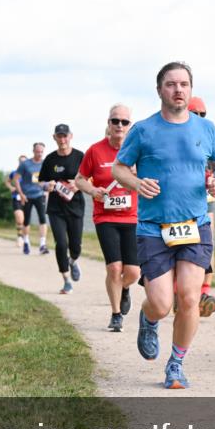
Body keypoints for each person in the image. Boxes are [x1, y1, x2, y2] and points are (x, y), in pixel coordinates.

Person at [113, 61, 215, 389]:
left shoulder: (206, 129)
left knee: (190, 298)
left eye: (183, 84)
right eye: (171, 84)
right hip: (153, 227)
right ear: (159, 90)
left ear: (190, 89)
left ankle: (176, 363)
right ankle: (149, 318)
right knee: (162, 303)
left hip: (195, 223)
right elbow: (120, 168)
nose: (178, 90)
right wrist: (136, 183)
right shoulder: (143, 130)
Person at [76, 104, 140, 331]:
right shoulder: (95, 151)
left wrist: (138, 175)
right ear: (108, 123)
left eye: (124, 122)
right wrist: (93, 191)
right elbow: (80, 179)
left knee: (133, 271)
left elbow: (151, 178)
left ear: (130, 125)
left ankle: (123, 288)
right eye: (115, 121)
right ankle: (115, 315)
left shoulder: (137, 151)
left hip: (132, 217)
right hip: (105, 217)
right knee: (114, 267)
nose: (119, 125)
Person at [40, 124, 85, 294]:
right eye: (59, 136)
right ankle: (66, 280)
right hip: (56, 208)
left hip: (75, 207)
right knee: (61, 244)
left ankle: (73, 261)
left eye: (65, 136)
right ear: (54, 138)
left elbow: (93, 179)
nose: (62, 139)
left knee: (76, 245)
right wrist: (47, 185)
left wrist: (78, 185)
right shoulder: (50, 159)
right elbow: (41, 182)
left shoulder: (80, 156)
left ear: (71, 136)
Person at [187, 96, 215, 317]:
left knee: (208, 245)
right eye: (194, 113)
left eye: (202, 114)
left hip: (205, 202)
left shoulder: (209, 135)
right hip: (180, 204)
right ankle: (181, 291)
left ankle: (204, 292)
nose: (199, 118)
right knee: (181, 245)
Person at [14, 143, 49, 256]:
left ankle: (42, 245)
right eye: (37, 151)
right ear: (33, 151)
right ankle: (26, 242)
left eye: (41, 152)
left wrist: (47, 190)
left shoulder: (45, 163)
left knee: (43, 219)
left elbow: (49, 179)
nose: (39, 154)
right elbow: (16, 179)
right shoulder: (25, 164)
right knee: (26, 220)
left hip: (40, 195)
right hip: (27, 196)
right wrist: (21, 194)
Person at [5, 155, 27, 249]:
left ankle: (25, 238)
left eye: (24, 162)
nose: (22, 163)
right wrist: (11, 188)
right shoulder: (14, 173)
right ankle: (20, 237)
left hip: (27, 198)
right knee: (19, 219)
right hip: (16, 198)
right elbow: (7, 181)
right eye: (20, 161)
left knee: (26, 220)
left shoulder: (29, 173)